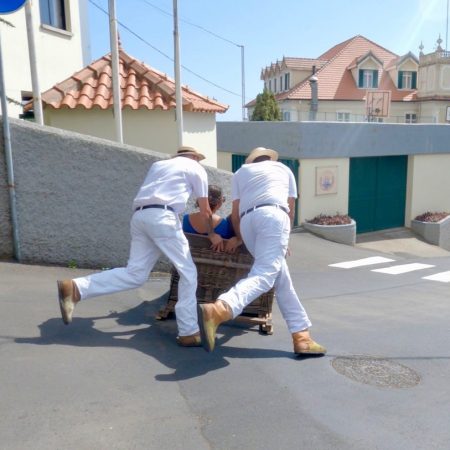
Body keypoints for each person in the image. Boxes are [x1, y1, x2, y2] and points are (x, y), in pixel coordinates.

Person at [57, 146, 224, 347]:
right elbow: (205, 209)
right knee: (188, 273)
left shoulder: (158, 165)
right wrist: (212, 234)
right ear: (196, 157)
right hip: (164, 217)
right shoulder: (195, 168)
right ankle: (188, 332)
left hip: (140, 216)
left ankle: (75, 287)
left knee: (135, 273)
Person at [197, 147, 327, 356]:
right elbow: (290, 206)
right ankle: (220, 309)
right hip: (274, 215)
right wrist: (285, 237)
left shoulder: (241, 172)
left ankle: (301, 336)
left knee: (280, 276)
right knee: (266, 275)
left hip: (249, 222)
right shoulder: (283, 169)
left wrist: (240, 237)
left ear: (252, 161)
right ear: (269, 159)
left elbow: (236, 212)